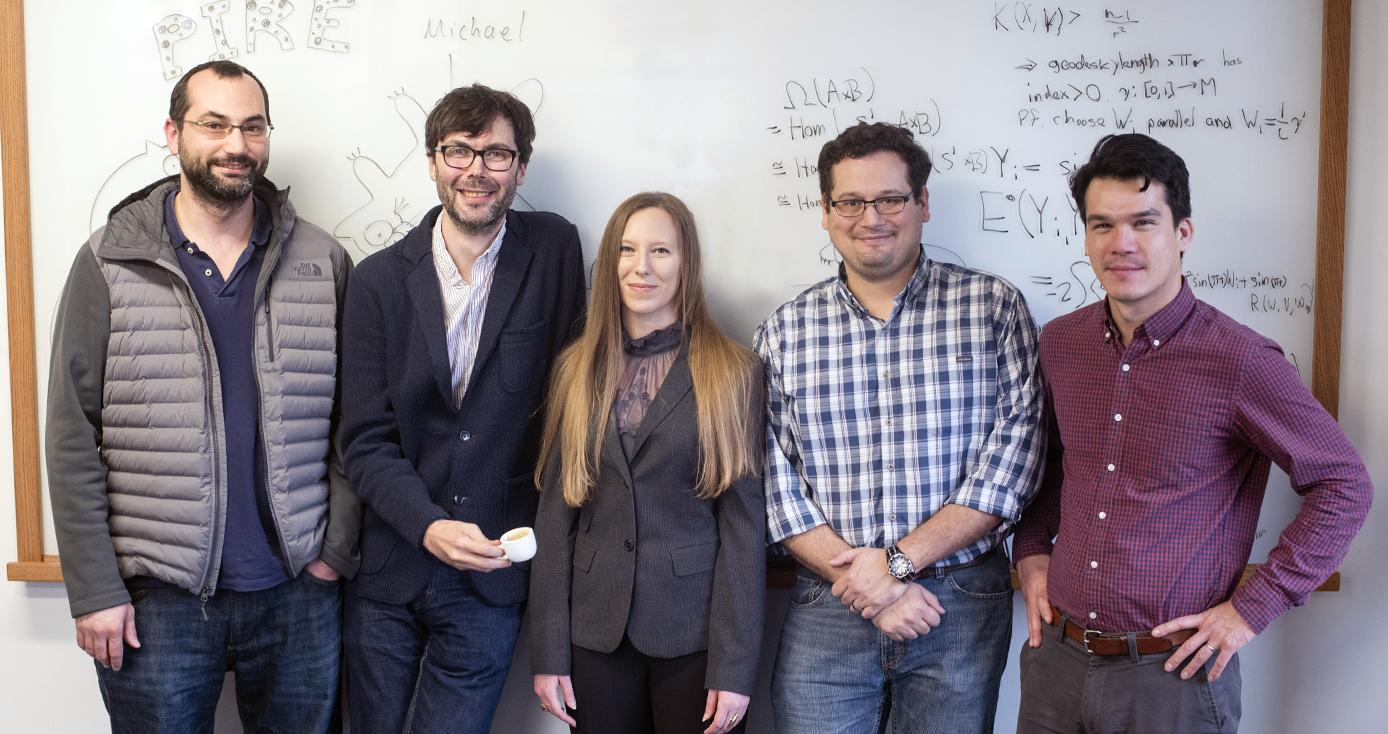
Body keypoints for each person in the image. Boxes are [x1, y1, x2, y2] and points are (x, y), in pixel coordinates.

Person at [1012, 133, 1373, 734]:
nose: (1120, 243)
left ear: (1183, 233)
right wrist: (1030, 553)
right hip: (1054, 660)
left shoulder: (1241, 361)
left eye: (1143, 222)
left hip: (1170, 679)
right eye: (1101, 224)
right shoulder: (1062, 343)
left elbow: (1344, 485)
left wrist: (1250, 610)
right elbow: (1051, 466)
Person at [46, 60, 357, 733]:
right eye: (213, 124)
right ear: (173, 132)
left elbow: (352, 425)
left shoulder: (324, 261)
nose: (235, 144)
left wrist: (336, 552)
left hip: (297, 591)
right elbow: (72, 432)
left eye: (252, 126)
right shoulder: (108, 262)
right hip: (156, 598)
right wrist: (93, 589)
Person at [756, 121, 1046, 733]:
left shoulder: (993, 308)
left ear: (923, 204)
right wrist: (866, 581)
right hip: (827, 600)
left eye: (890, 198)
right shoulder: (785, 331)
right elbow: (771, 479)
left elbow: (1014, 460)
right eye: (851, 201)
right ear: (826, 211)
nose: (871, 217)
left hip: (958, 602)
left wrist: (895, 566)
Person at [339, 83, 587, 734]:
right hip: (390, 569)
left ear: (521, 169)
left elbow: (568, 410)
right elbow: (364, 439)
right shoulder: (377, 281)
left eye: (497, 154)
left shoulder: (555, 251)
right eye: (459, 151)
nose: (476, 169)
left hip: (494, 573)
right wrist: (426, 525)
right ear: (431, 161)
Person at [528, 192, 766, 734]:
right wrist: (548, 651)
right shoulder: (574, 369)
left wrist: (735, 667)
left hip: (695, 634)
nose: (642, 267)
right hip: (593, 633)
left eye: (661, 250)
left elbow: (744, 528)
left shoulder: (733, 372)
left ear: (687, 262)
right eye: (627, 250)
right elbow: (555, 519)